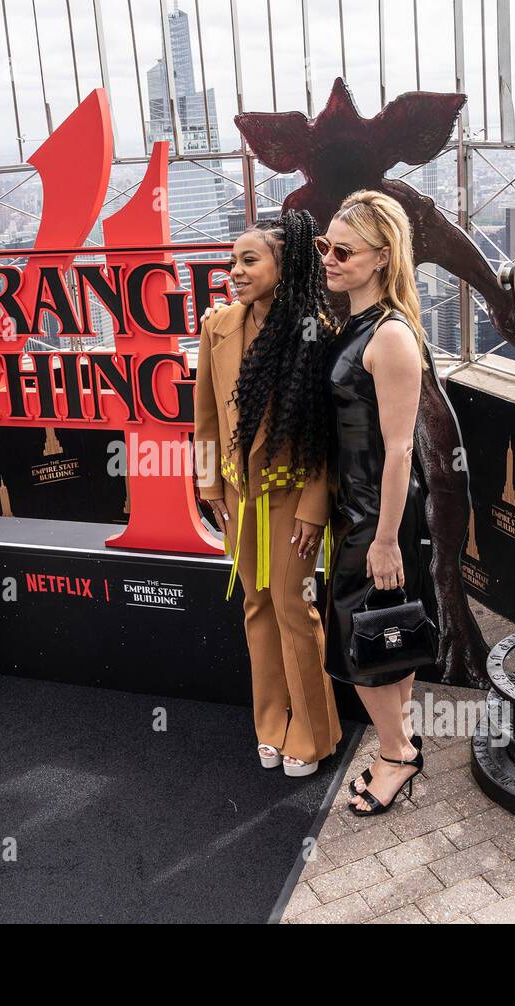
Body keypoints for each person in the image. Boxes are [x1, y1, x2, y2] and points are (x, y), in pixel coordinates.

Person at [194, 209, 342, 776]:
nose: (235, 270)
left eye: (248, 260)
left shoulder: (317, 335)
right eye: (233, 261)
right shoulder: (218, 327)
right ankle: (270, 724)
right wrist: (210, 487)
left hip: (292, 500)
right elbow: (204, 420)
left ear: (287, 264)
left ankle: (314, 731)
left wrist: (313, 509)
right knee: (256, 606)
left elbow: (326, 440)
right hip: (236, 500)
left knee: (292, 608)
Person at [318, 189, 434, 816]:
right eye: (324, 247)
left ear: (382, 258)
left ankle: (396, 756)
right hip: (360, 510)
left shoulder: (390, 337)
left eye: (343, 250)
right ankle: (402, 740)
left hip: (376, 514)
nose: (329, 259)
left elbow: (398, 451)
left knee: (364, 638)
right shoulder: (357, 323)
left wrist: (386, 538)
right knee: (388, 632)